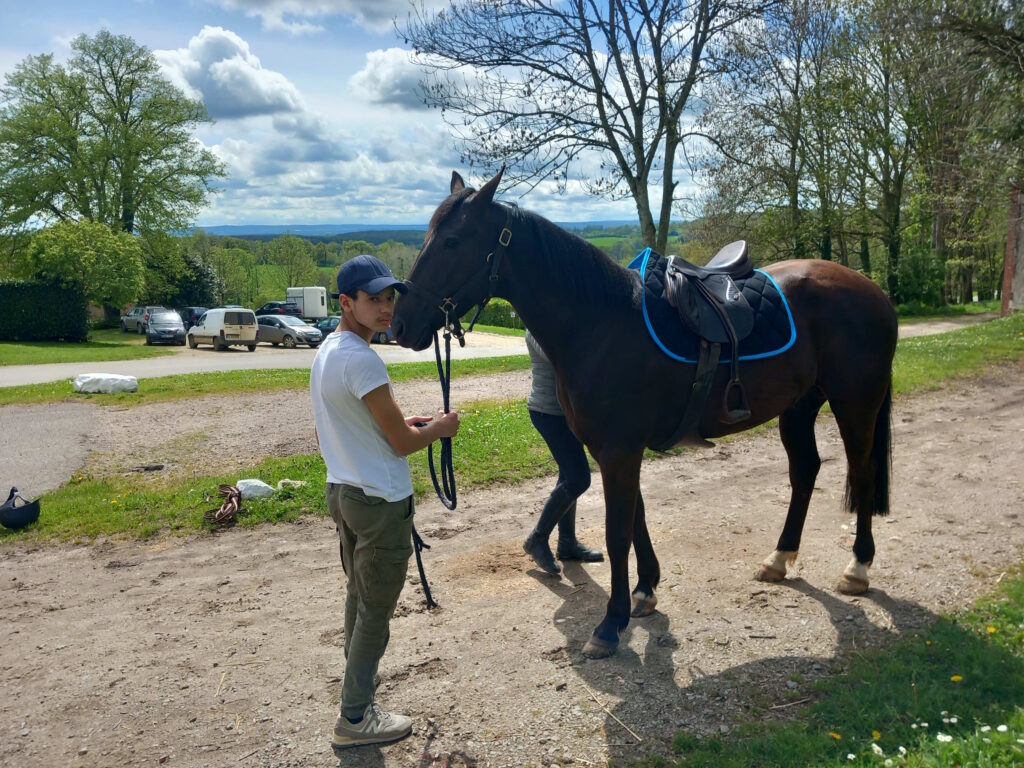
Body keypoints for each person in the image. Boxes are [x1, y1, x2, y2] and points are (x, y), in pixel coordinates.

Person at [310, 254, 460, 751]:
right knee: (376, 611)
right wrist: (438, 429)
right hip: (378, 501)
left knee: (358, 595)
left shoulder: (329, 351)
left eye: (390, 297)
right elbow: (399, 445)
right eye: (373, 299)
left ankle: (359, 691)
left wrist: (406, 425)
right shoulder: (362, 359)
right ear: (345, 302)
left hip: (345, 490)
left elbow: (368, 427)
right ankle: (354, 716)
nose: (386, 308)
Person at [522, 329, 604, 575]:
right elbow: (566, 357)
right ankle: (537, 538)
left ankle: (567, 542)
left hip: (566, 412)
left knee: (567, 474)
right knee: (578, 478)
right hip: (548, 413)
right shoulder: (536, 326)